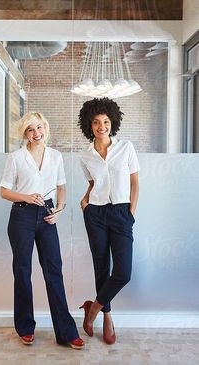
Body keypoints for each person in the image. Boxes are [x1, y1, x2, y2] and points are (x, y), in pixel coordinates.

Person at [0, 111, 84, 349]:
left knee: (54, 272)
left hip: (47, 215)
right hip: (22, 216)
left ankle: (66, 332)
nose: (36, 133)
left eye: (39, 128)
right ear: (25, 133)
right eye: (30, 130)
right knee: (23, 271)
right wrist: (26, 196)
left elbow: (61, 187)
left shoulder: (56, 156)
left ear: (45, 128)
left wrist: (59, 209)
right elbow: (4, 191)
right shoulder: (16, 157)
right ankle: (25, 328)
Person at [78, 98, 140, 345]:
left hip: (122, 213)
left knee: (123, 272)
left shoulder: (126, 147)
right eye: (96, 122)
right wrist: (84, 202)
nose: (101, 126)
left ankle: (93, 309)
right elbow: (92, 183)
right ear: (89, 125)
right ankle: (107, 317)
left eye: (105, 121)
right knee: (101, 267)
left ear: (112, 122)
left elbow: (135, 183)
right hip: (96, 214)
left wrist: (131, 213)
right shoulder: (86, 155)